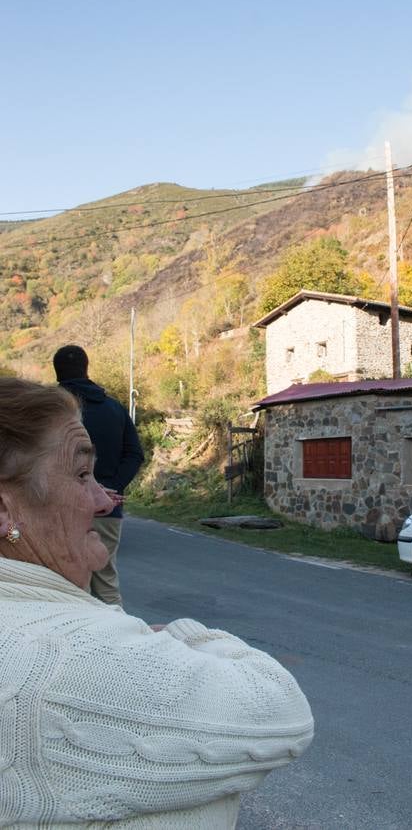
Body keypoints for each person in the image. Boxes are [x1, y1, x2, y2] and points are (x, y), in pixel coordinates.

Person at [0, 377, 313, 827]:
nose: (102, 501)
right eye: (83, 474)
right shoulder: (68, 658)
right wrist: (185, 636)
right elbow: (284, 712)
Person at [53, 344, 144, 606]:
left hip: (59, 510)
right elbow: (134, 454)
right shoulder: (115, 409)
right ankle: (117, 642)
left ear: (57, 372)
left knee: (64, 583)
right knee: (106, 583)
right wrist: (108, 490)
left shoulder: (47, 413)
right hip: (108, 510)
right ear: (86, 368)